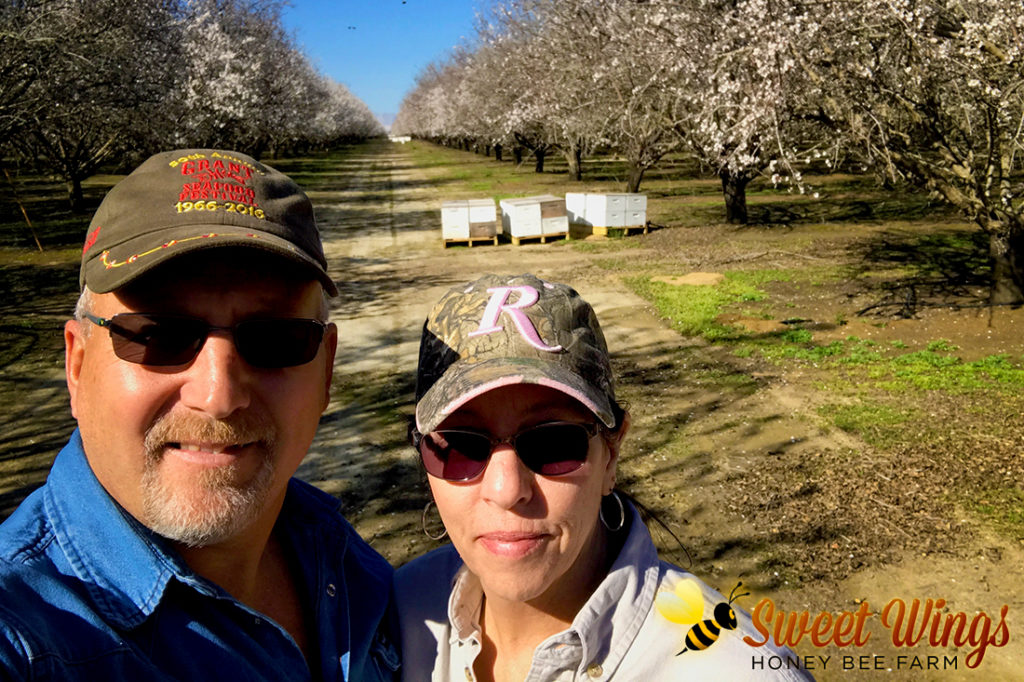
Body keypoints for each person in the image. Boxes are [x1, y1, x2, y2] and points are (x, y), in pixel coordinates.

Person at [0, 149, 399, 681]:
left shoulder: (350, 566)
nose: (219, 395)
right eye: (158, 335)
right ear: (77, 365)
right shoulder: (26, 634)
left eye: (276, 339)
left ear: (326, 372)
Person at [395, 273, 811, 681]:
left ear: (610, 454)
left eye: (554, 442)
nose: (507, 491)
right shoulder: (395, 615)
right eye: (462, 446)